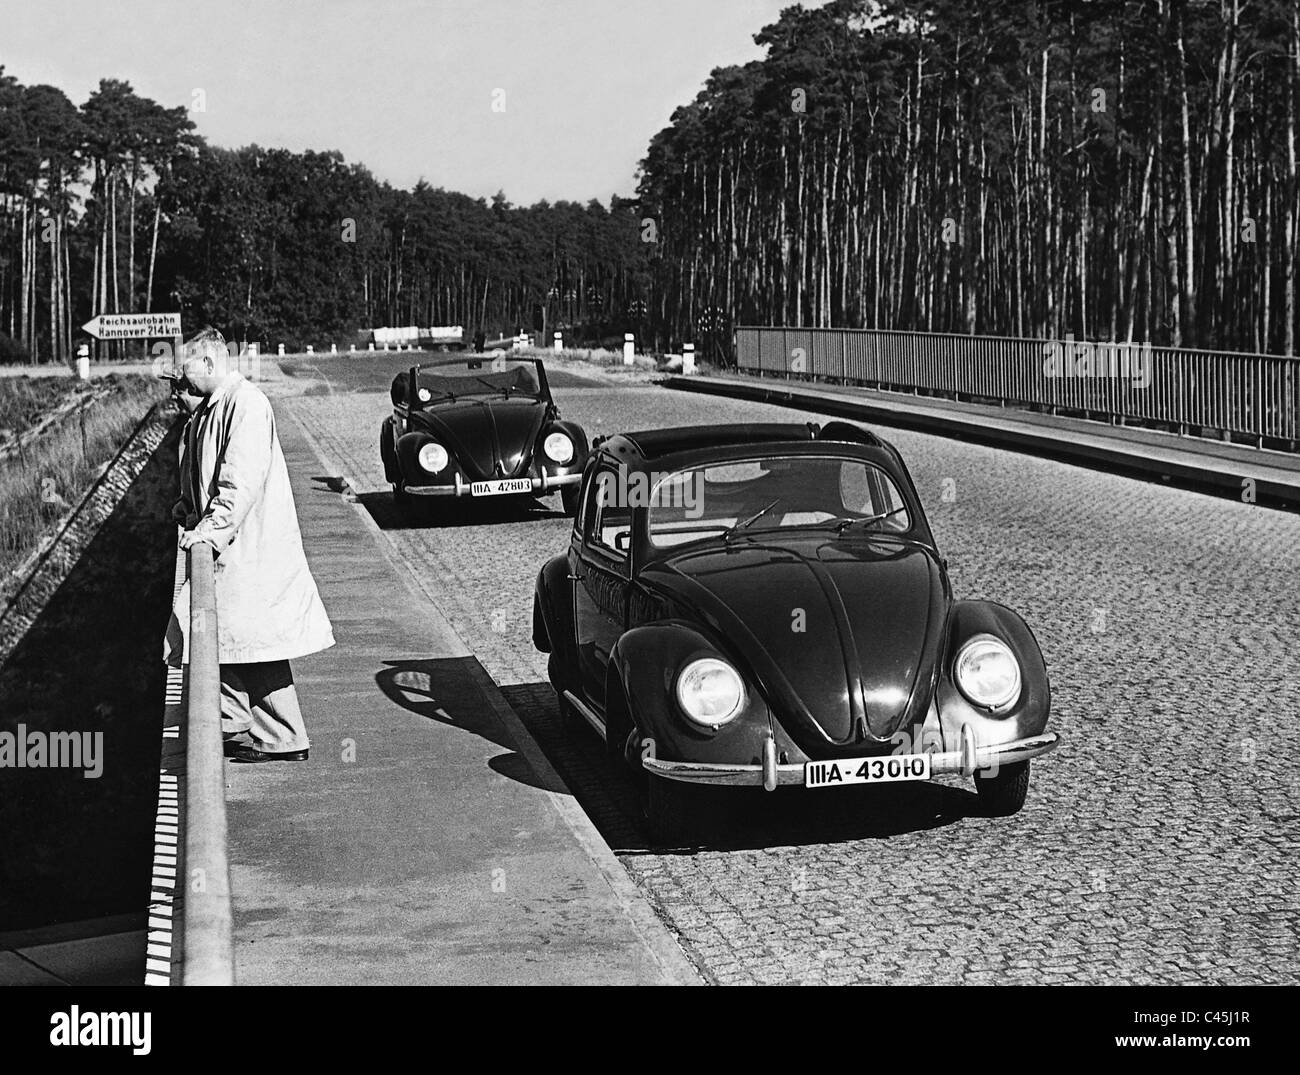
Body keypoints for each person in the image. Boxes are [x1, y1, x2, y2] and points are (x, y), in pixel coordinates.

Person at [160, 328, 334, 762]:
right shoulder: (210, 411)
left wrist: (209, 532)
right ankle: (234, 719)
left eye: (183, 375)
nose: (179, 385)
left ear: (208, 364)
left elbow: (238, 485)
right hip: (235, 548)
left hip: (249, 547)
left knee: (254, 644)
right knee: (233, 639)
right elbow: (199, 482)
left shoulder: (246, 404)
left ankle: (283, 735)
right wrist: (187, 510)